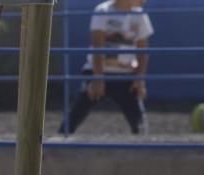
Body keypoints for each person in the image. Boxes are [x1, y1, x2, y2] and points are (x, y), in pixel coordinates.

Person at [59, 0, 153, 135]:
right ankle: (56, 145)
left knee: (139, 121)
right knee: (77, 112)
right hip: (98, 72)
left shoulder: (140, 15)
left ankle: (145, 149)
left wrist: (139, 79)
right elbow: (98, 47)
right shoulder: (103, 10)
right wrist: (98, 78)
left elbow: (143, 52)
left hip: (126, 76)